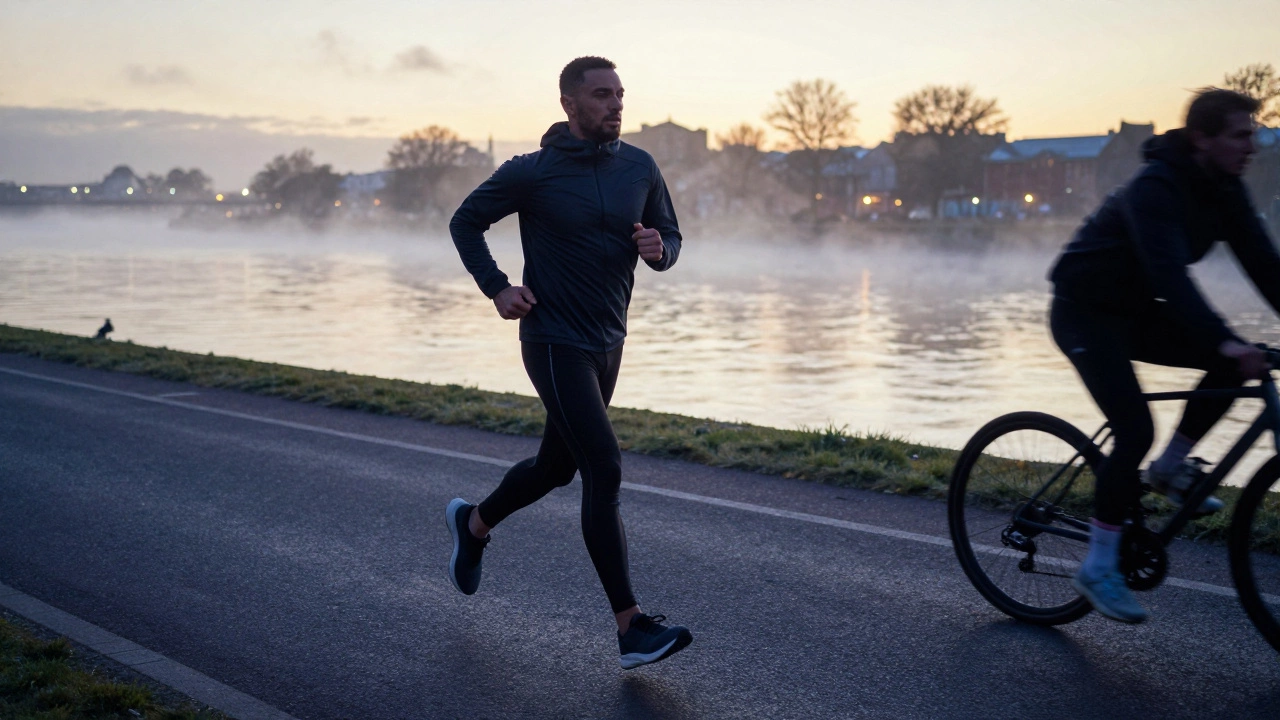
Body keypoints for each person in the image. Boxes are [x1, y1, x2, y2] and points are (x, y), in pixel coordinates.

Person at [445, 56, 692, 668]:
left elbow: (671, 236)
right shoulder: (532, 172)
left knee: (558, 467)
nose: (615, 105)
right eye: (602, 95)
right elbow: (465, 221)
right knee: (602, 468)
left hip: (610, 338)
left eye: (620, 94)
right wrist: (497, 287)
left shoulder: (640, 165)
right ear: (570, 104)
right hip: (553, 340)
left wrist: (660, 251)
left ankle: (474, 524)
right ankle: (630, 627)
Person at [1049, 88, 1280, 623]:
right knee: (1134, 430)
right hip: (1084, 308)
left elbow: (1267, 268)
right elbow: (1170, 278)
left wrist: (1228, 343)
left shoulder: (1226, 191)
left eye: (1256, 134)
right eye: (1241, 135)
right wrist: (1222, 337)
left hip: (1135, 310)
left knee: (1232, 358)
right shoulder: (1156, 189)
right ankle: (1099, 566)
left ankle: (1170, 470)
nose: (1254, 145)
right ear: (1202, 138)